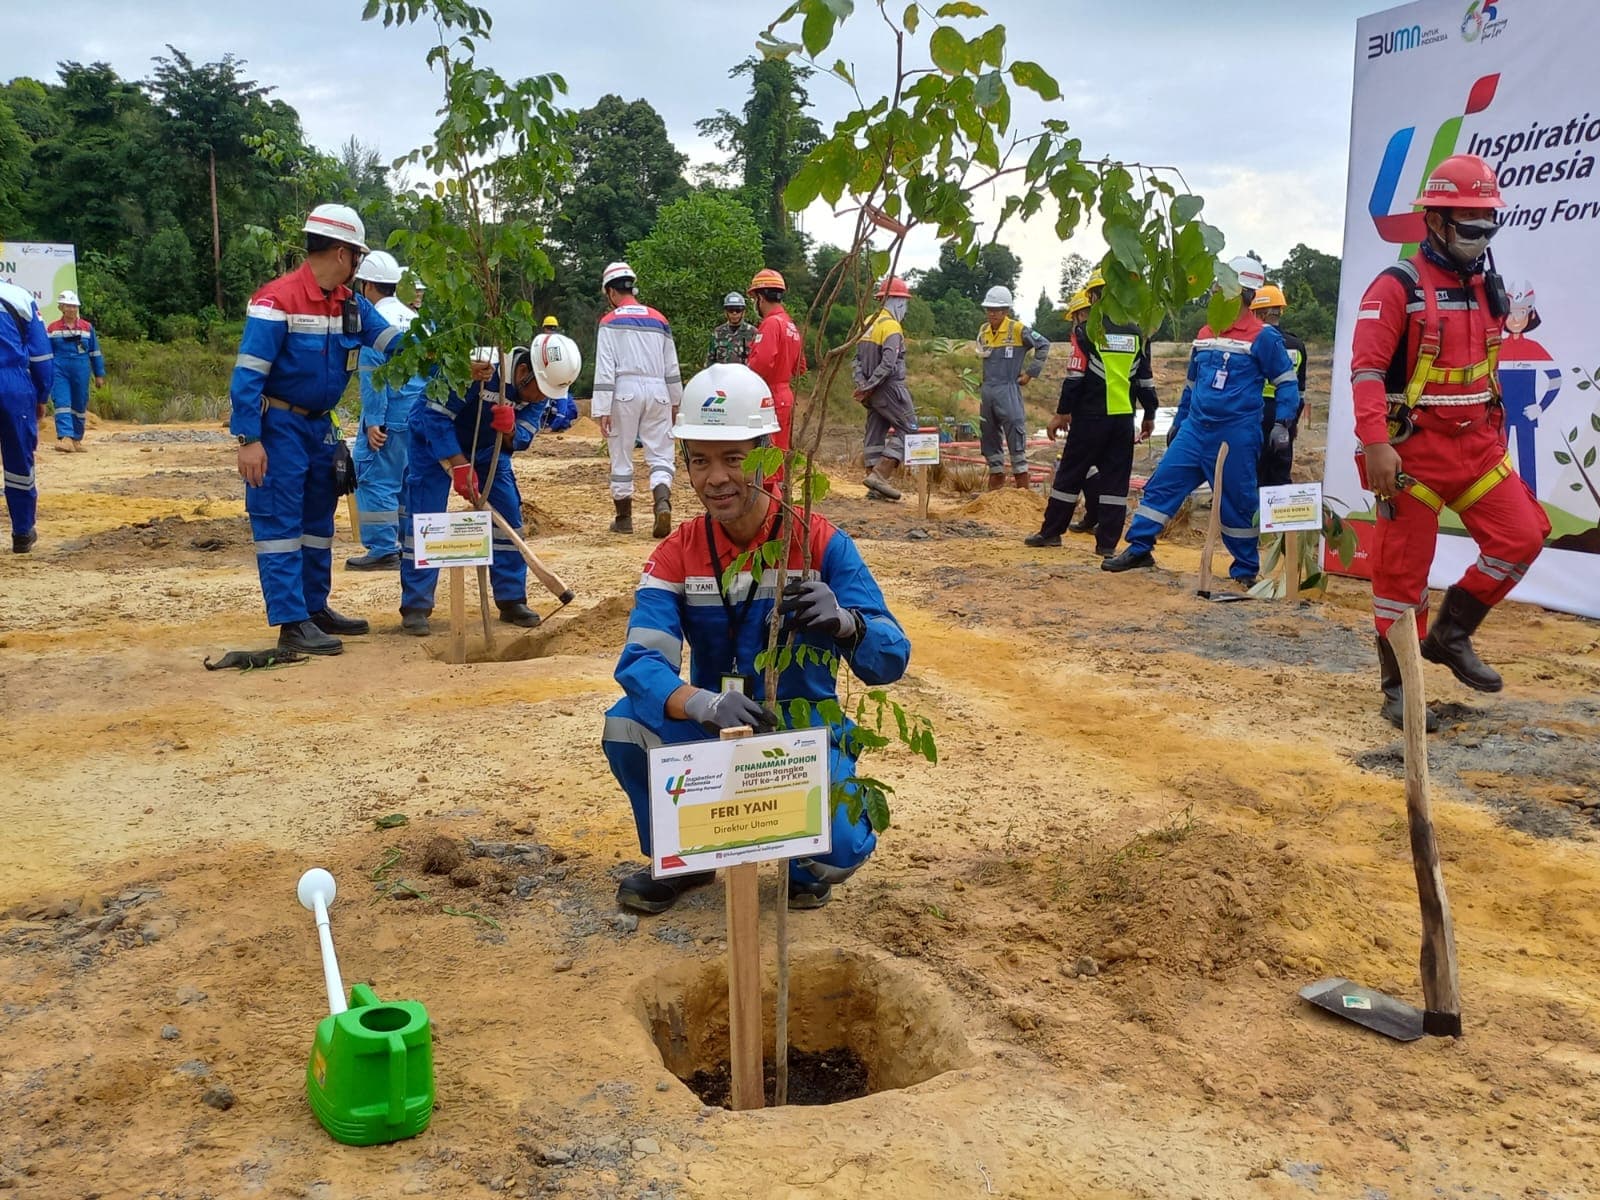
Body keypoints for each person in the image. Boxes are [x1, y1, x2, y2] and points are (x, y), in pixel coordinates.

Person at [600, 363, 910, 915]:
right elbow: (641, 661)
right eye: (699, 459)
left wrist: (847, 624)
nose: (715, 477)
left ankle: (807, 860)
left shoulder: (818, 541)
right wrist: (705, 703)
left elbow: (891, 656)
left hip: (803, 732)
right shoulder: (679, 552)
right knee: (626, 722)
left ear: (769, 457)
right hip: (713, 730)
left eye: (733, 458)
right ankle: (685, 858)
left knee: (835, 854)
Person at [1349, 153, 1549, 730]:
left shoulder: (1489, 283)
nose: (1481, 237)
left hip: (1476, 448)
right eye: (1470, 226)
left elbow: (1499, 341)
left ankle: (1451, 633)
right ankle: (1400, 690)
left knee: (1524, 534)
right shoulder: (1396, 287)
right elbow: (1366, 371)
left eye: (1491, 225)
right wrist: (1374, 444)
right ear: (1433, 221)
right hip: (1412, 457)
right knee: (1400, 578)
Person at [229, 203, 402, 655]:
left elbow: (395, 343)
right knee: (280, 522)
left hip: (319, 429)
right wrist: (249, 440)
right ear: (344, 254)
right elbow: (247, 375)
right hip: (279, 424)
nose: (358, 265)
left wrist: (454, 352)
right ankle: (291, 623)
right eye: (358, 256)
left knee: (316, 522)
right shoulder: (277, 301)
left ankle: (313, 608)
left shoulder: (350, 304)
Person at [1103, 256, 1301, 586]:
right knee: (1162, 485)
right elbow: (1192, 384)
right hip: (1195, 430)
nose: (1214, 291)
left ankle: (1244, 570)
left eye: (1222, 285)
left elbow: (1286, 383)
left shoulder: (1263, 338)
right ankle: (1139, 548)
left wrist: (1282, 423)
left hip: (1235, 434)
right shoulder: (1206, 333)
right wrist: (1180, 421)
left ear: (1244, 294)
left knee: (1238, 502)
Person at [398, 346, 551, 635]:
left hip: (487, 449)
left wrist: (508, 431)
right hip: (433, 441)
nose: (541, 399)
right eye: (540, 392)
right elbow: (435, 415)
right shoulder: (479, 366)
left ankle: (511, 600)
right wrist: (458, 464)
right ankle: (416, 605)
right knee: (424, 519)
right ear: (523, 372)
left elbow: (521, 437)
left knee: (508, 518)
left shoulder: (544, 386)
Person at [1025, 280, 1156, 554]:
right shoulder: (1138, 334)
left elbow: (1074, 378)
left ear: (1095, 296)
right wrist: (1150, 414)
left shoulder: (1087, 332)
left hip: (1090, 418)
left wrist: (1061, 414)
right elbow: (1145, 381)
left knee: (1070, 477)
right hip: (1123, 420)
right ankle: (1107, 546)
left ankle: (1051, 533)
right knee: (1115, 484)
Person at [592, 261, 683, 539]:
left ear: (610, 291)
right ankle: (662, 503)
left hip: (624, 391)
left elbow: (605, 367)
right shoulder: (660, 319)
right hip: (659, 392)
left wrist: (602, 408)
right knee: (661, 454)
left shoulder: (609, 322)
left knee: (621, 454)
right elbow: (672, 366)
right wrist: (676, 401)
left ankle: (624, 519)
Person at [347, 251, 425, 571]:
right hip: (417, 415)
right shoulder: (414, 319)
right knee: (407, 481)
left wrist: (374, 421)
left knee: (374, 479)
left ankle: (382, 547)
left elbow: (373, 374)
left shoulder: (375, 323)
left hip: (389, 418)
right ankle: (408, 545)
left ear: (367, 286)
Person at [853, 276, 919, 502]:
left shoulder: (869, 323)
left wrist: (863, 386)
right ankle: (880, 476)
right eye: (905, 304)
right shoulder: (892, 326)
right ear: (898, 302)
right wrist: (871, 385)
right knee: (909, 429)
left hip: (872, 392)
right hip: (890, 389)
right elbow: (889, 363)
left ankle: (873, 483)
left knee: (875, 433)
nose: (906, 309)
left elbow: (857, 361)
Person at [976, 286, 1050, 489]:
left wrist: (1030, 373)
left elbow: (1043, 344)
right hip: (988, 389)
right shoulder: (983, 331)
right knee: (988, 432)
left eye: (996, 309)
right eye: (989, 309)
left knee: (1015, 431)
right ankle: (996, 477)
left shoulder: (1017, 329)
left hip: (1008, 388)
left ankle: (1022, 485)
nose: (992, 313)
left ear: (1006, 310)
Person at [0, 278, 53, 553]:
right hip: (13, 388)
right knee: (19, 461)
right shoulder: (19, 297)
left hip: (13, 383)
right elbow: (41, 356)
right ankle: (22, 532)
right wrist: (42, 395)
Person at [1251, 283, 1308, 487]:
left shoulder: (1254, 340)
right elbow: (1300, 392)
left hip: (1256, 412)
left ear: (1261, 313)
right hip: (1285, 415)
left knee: (1254, 471)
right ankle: (1280, 516)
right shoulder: (1296, 344)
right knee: (1280, 471)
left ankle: (1253, 517)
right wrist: (1292, 422)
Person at [746, 268, 807, 450]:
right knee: (779, 450)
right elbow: (800, 367)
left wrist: (744, 380)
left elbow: (761, 363)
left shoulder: (771, 324)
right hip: (784, 395)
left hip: (768, 395)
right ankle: (777, 480)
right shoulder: (790, 324)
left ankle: (769, 481)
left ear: (760, 298)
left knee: (767, 450)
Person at [47, 289, 104, 453]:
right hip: (59, 369)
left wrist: (99, 374)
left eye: (74, 306)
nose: (71, 309)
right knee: (62, 402)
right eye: (68, 306)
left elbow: (95, 352)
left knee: (79, 403)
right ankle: (65, 437)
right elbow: (47, 353)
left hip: (81, 370)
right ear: (61, 307)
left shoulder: (87, 328)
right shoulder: (52, 328)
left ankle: (76, 439)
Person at [705, 292, 757, 367]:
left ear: (743, 312)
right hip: (723, 377)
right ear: (725, 312)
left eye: (738, 310)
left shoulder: (753, 333)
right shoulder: (718, 333)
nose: (734, 313)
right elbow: (710, 361)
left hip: (745, 377)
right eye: (731, 310)